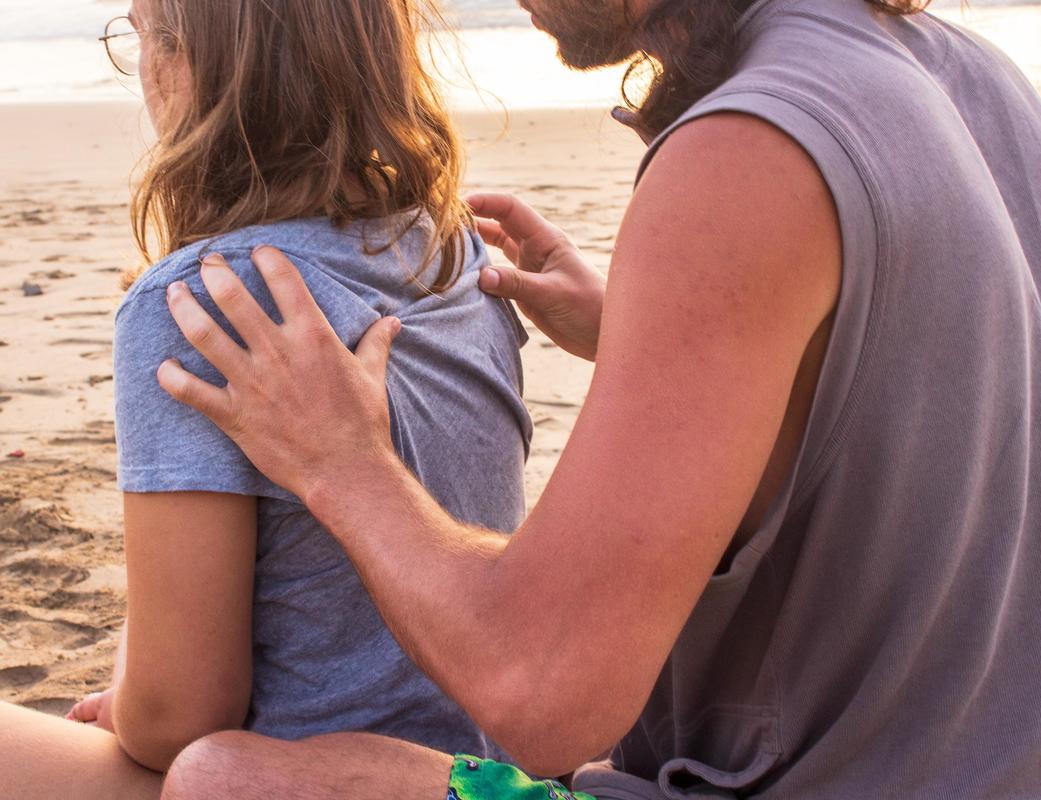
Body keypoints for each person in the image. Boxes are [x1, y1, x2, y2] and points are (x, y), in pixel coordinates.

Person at [152, 0, 1041, 796]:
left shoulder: (748, 150)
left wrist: (340, 462)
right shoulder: (965, 69)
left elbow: (542, 697)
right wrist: (651, 335)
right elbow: (940, 401)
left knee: (226, 778)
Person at [0, 0, 532, 796]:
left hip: (296, 775)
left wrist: (138, 693)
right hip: (487, 767)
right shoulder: (454, 247)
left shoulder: (202, 300)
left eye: (138, 36)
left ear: (185, 65)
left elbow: (180, 716)